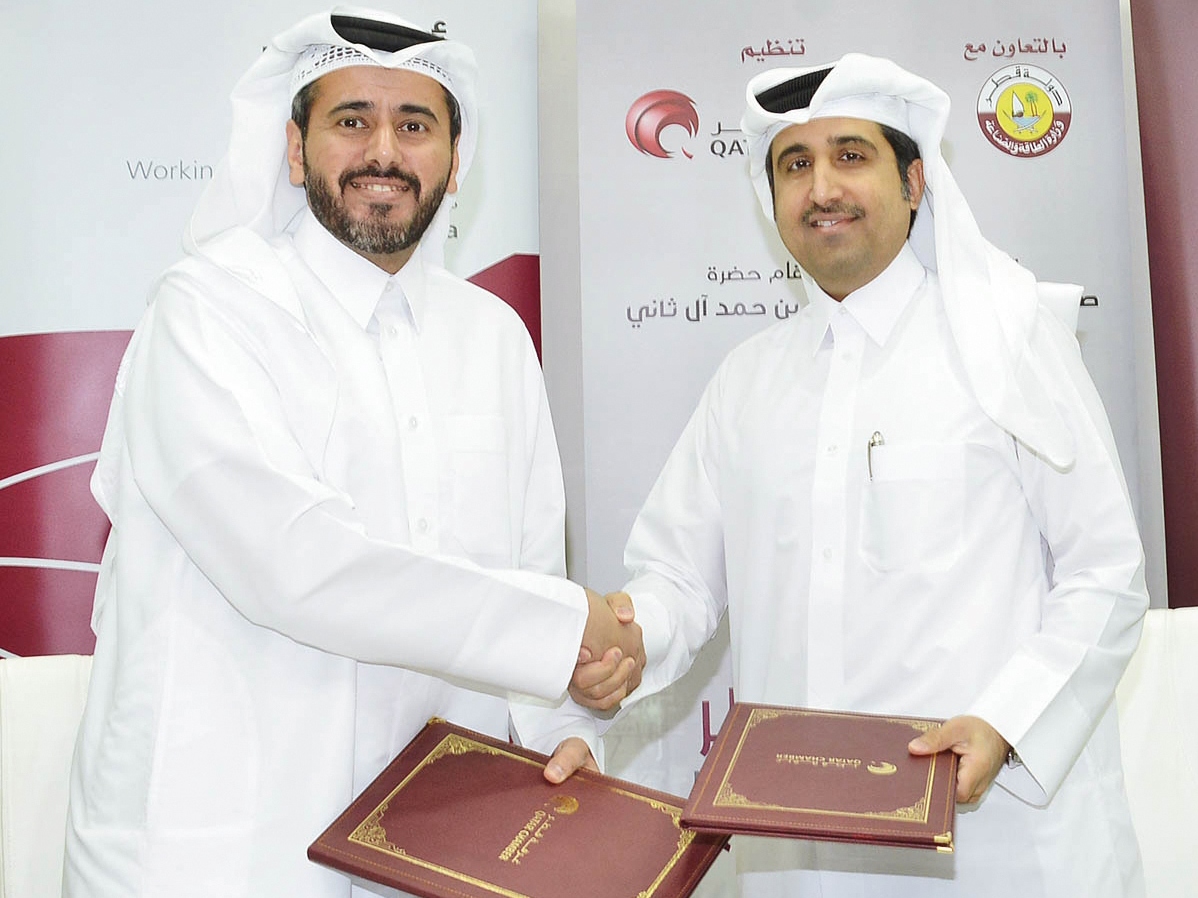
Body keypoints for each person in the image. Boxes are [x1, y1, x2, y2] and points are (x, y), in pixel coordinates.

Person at [63, 8, 641, 897]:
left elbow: (530, 565)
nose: (384, 151)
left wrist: (568, 715)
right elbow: (294, 563)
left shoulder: (491, 336)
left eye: (415, 125)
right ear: (294, 151)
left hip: (437, 846)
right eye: (350, 120)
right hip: (226, 847)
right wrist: (565, 632)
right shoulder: (207, 312)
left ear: (455, 161)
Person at [569, 54, 1149, 896]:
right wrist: (628, 640)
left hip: (997, 848)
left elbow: (1106, 573)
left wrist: (1006, 721)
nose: (821, 188)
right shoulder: (749, 379)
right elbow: (679, 579)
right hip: (799, 850)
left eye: (850, 155)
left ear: (915, 182)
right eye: (794, 166)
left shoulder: (1008, 340)